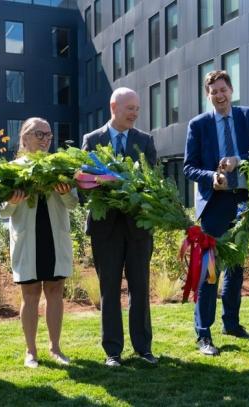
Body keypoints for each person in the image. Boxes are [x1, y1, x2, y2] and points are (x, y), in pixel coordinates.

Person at [183, 70, 249, 356]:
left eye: (223, 90)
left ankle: (231, 322)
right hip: (214, 206)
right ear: (208, 96)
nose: (219, 96)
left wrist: (239, 162)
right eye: (213, 92)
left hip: (243, 202)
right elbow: (188, 166)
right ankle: (203, 334)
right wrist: (210, 177)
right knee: (210, 272)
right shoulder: (199, 125)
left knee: (236, 267)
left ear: (231, 90)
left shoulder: (247, 117)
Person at [81, 87, 158, 367]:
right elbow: (84, 182)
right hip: (105, 229)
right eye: (130, 108)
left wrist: (126, 182)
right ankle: (113, 352)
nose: (135, 114)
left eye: (137, 109)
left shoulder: (145, 141)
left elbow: (152, 183)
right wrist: (101, 182)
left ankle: (143, 348)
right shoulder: (92, 140)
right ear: (114, 107)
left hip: (138, 229)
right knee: (109, 289)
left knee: (140, 288)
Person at [0, 118, 78, 368]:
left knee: (55, 292)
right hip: (27, 240)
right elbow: (2, 211)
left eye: (48, 135)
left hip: (55, 238)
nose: (45, 139)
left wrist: (65, 193)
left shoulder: (61, 167)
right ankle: (31, 351)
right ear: (24, 138)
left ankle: (55, 348)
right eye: (39, 134)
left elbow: (73, 204)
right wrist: (13, 200)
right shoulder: (12, 169)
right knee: (30, 295)